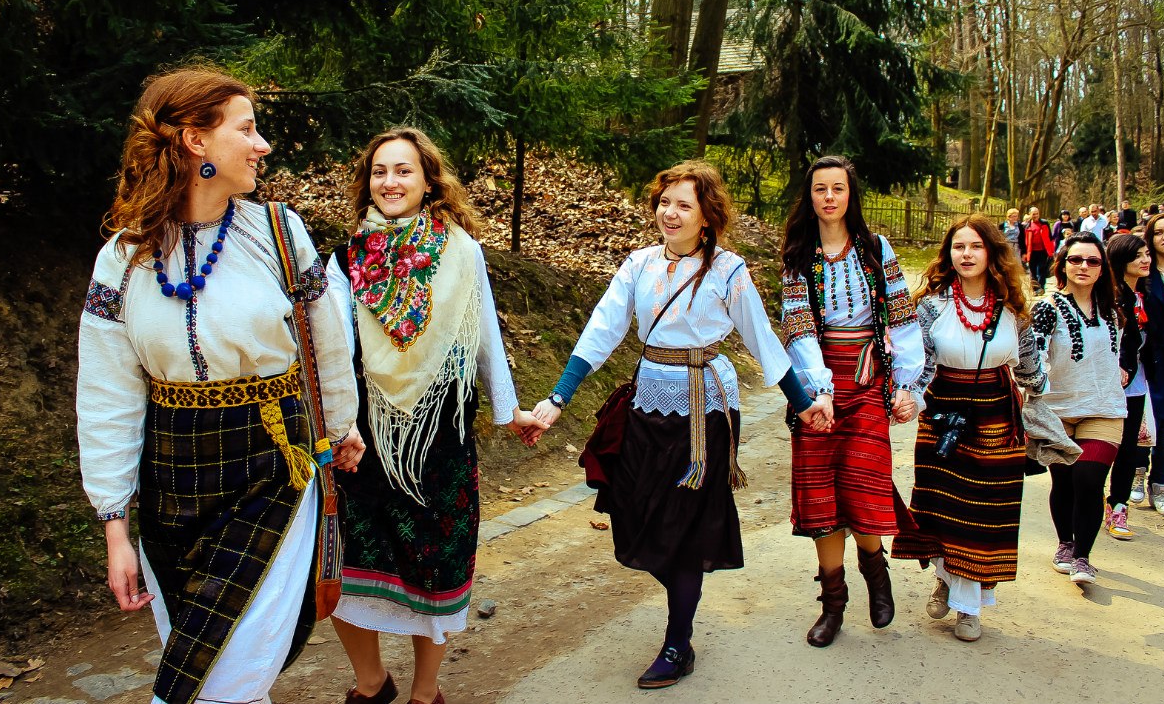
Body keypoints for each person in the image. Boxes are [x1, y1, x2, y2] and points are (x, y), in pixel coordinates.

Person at [77, 67, 365, 704]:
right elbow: (107, 397)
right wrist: (115, 526)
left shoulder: (279, 235)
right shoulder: (122, 258)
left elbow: (326, 344)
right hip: (171, 482)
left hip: (272, 464)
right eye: (247, 129)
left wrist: (341, 426)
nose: (263, 145)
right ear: (195, 140)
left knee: (227, 667)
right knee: (209, 658)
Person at [530, 161, 823, 687]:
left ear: (706, 217)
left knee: (684, 528)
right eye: (665, 202)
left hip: (704, 414)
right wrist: (558, 397)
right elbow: (602, 330)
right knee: (632, 509)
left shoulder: (728, 271)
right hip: (649, 403)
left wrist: (802, 402)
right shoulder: (639, 264)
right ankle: (682, 597)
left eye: (684, 205)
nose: (670, 213)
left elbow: (762, 340)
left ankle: (677, 642)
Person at [326, 127, 543, 704]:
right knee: (346, 568)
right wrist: (336, 424)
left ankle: (426, 693)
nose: (390, 182)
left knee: (437, 565)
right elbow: (331, 349)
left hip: (440, 436)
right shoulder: (344, 258)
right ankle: (371, 683)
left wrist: (509, 410)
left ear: (428, 182)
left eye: (404, 171)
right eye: (380, 171)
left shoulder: (461, 252)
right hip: (361, 441)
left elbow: (486, 337)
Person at [779, 155, 926, 648]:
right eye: (820, 189)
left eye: (837, 188)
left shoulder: (876, 249)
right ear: (810, 196)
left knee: (864, 482)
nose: (829, 197)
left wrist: (905, 383)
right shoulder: (798, 255)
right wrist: (819, 389)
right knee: (821, 496)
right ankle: (833, 604)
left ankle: (876, 573)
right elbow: (799, 329)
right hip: (816, 384)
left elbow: (902, 317)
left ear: (850, 195)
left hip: (867, 381)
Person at [891, 216, 1044, 642]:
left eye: (976, 246)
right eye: (958, 247)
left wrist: (1046, 394)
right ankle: (947, 580)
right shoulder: (931, 306)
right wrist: (910, 399)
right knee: (944, 505)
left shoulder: (1013, 307)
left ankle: (969, 607)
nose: (967, 254)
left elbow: (1031, 369)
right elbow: (921, 366)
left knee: (983, 511)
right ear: (949, 254)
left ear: (992, 252)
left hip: (997, 415)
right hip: (943, 412)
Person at [1030, 232, 1127, 586]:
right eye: (1075, 259)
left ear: (1102, 268)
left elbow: (1124, 350)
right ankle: (1065, 544)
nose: (1083, 266)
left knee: (1088, 478)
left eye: (1092, 261)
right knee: (1064, 481)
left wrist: (1124, 369)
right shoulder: (1047, 307)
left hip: (1103, 408)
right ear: (1063, 265)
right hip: (1056, 411)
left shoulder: (1113, 310)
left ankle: (1083, 557)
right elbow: (1035, 355)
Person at [1102, 233, 1150, 539]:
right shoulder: (1112, 296)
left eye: (1146, 254)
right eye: (1138, 256)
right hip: (1110, 384)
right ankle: (1089, 498)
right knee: (1103, 446)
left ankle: (1118, 506)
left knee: (1129, 449)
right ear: (1121, 261)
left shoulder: (1148, 293)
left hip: (1138, 385)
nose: (1145, 260)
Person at [1137, 214, 1164, 516]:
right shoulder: (1145, 276)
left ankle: (1160, 487)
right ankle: (1136, 476)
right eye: (1159, 232)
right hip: (1151, 361)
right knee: (1146, 424)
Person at [1024, 207, 1054, 295]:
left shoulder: (1044, 223)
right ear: (1030, 214)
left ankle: (1041, 287)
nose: (1035, 216)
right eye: (1033, 214)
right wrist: (1024, 253)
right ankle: (1035, 288)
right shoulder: (1026, 225)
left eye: (1037, 213)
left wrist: (1051, 250)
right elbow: (1023, 240)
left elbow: (1050, 237)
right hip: (1031, 252)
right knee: (1032, 271)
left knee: (1041, 270)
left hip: (1043, 251)